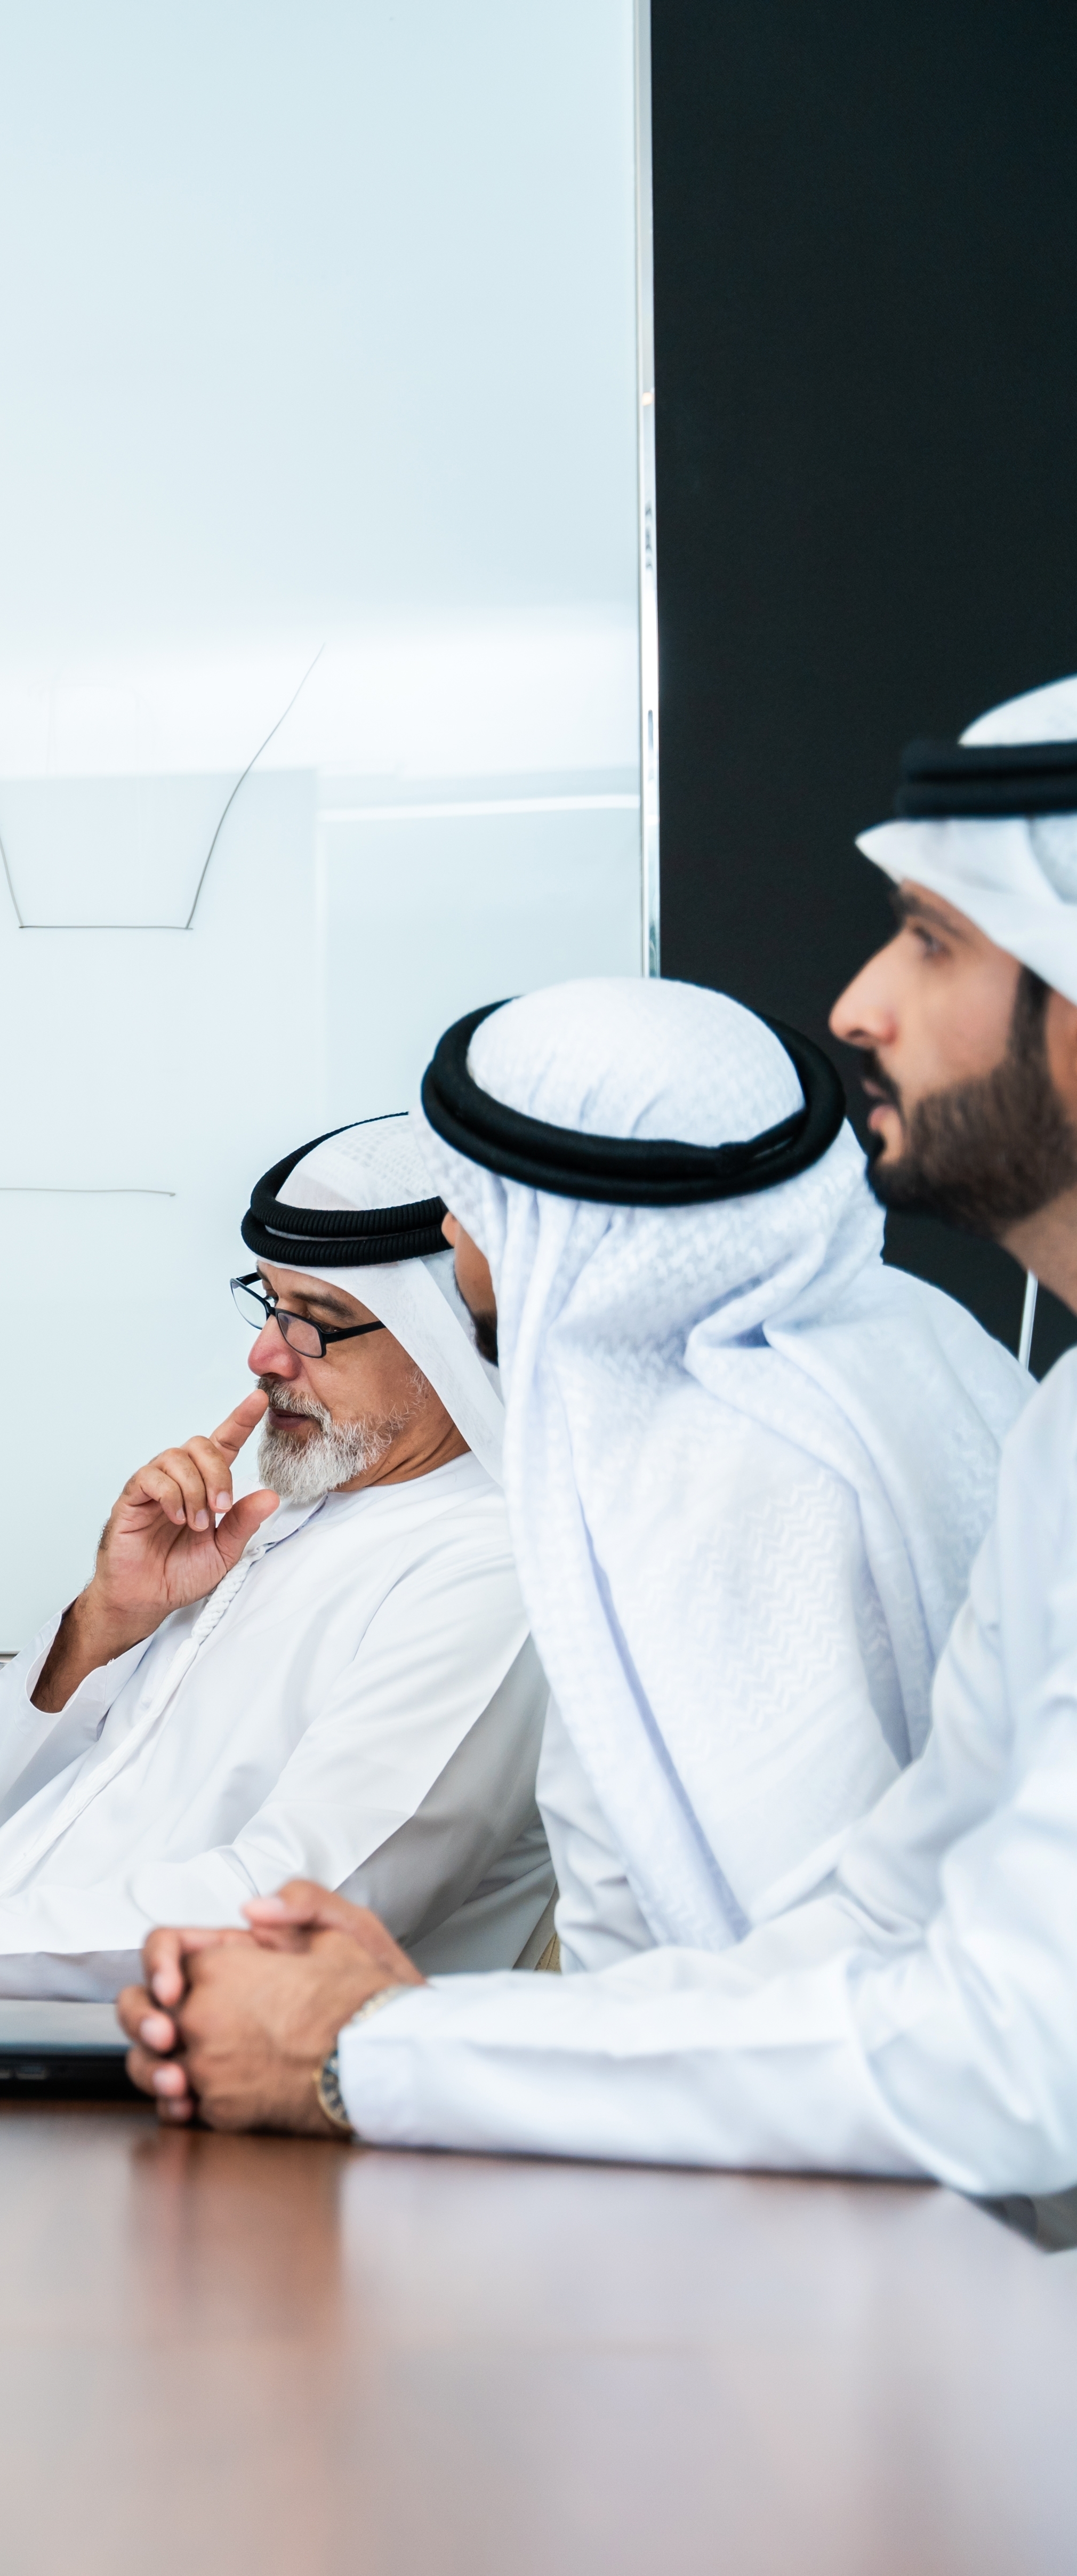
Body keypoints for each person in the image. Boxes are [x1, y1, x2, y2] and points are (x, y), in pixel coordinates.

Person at [126, 697, 1077, 2188]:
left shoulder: (735, 1466)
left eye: (932, 938)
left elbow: (996, 2057)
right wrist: (406, 2034)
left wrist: (368, 2050)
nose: (855, 1008)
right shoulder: (1049, 1421)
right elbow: (873, 1932)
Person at [0, 1115, 552, 2003]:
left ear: (443, 1342)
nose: (265, 1353)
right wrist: (106, 1621)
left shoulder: (494, 1571)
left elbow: (297, 1910)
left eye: (315, 1319)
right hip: (21, 2068)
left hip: (204, 2130)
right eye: (271, 1303)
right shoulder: (283, 1518)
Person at [411, 976, 1024, 1969]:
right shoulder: (923, 1335)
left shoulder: (705, 1471)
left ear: (567, 1222)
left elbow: (800, 1962)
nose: (448, 1234)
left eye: (470, 1202)